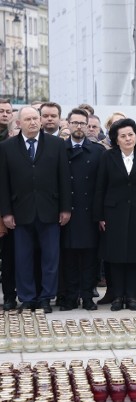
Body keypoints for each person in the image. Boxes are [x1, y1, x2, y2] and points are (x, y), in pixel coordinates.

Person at [0, 106, 72, 313]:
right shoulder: (7, 147)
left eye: (35, 118)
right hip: (20, 212)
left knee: (50, 258)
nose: (33, 122)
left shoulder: (56, 144)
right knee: (23, 259)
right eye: (28, 119)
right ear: (19, 123)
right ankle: (27, 297)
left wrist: (65, 208)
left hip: (50, 210)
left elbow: (64, 179)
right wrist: (6, 212)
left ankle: (46, 297)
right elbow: (3, 183)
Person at [93, 118, 136, 312]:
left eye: (131, 134)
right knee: (116, 256)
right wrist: (99, 216)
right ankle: (117, 296)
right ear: (116, 139)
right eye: (123, 136)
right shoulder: (107, 157)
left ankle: (132, 297)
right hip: (113, 213)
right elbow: (100, 188)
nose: (128, 139)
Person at [60, 108, 105, 311]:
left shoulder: (97, 151)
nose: (78, 126)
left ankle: (87, 296)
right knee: (68, 257)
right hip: (67, 211)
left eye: (82, 123)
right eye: (75, 123)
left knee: (89, 258)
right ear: (68, 124)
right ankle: (70, 297)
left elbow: (103, 185)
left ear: (88, 126)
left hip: (90, 213)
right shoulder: (59, 149)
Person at [0, 98, 16, 310]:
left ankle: (10, 296)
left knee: (10, 258)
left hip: (9, 207)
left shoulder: (15, 140)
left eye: (7, 111)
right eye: (1, 110)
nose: (4, 114)